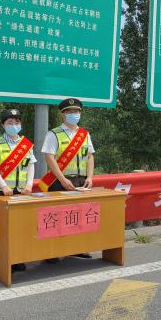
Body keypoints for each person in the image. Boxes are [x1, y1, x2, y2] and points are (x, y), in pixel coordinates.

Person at [40, 98, 95, 261]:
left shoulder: (84, 134)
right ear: (62, 115)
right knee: (56, 217)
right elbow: (49, 158)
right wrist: (63, 180)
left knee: (78, 216)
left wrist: (90, 177)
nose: (74, 114)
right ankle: (51, 252)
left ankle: (76, 248)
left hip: (81, 182)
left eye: (76, 111)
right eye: (70, 112)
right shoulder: (54, 134)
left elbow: (90, 156)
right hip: (60, 181)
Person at [0, 109, 36, 272]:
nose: (14, 125)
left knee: (19, 227)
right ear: (3, 125)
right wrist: (4, 186)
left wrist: (29, 185)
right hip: (0, 192)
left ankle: (17, 260)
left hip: (21, 192)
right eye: (10, 123)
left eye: (17, 122)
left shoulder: (26, 144)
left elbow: (31, 165)